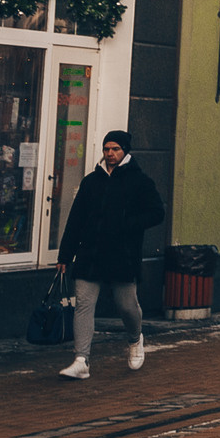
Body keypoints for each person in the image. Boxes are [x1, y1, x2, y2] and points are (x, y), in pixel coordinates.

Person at [54, 130, 163, 380]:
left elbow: (157, 212)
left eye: (115, 149)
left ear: (125, 151)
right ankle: (81, 360)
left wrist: (128, 224)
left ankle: (135, 340)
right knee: (83, 305)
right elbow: (76, 219)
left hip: (122, 254)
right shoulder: (91, 181)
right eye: (106, 149)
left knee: (126, 306)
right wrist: (65, 255)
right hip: (90, 253)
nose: (110, 153)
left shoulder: (140, 181)